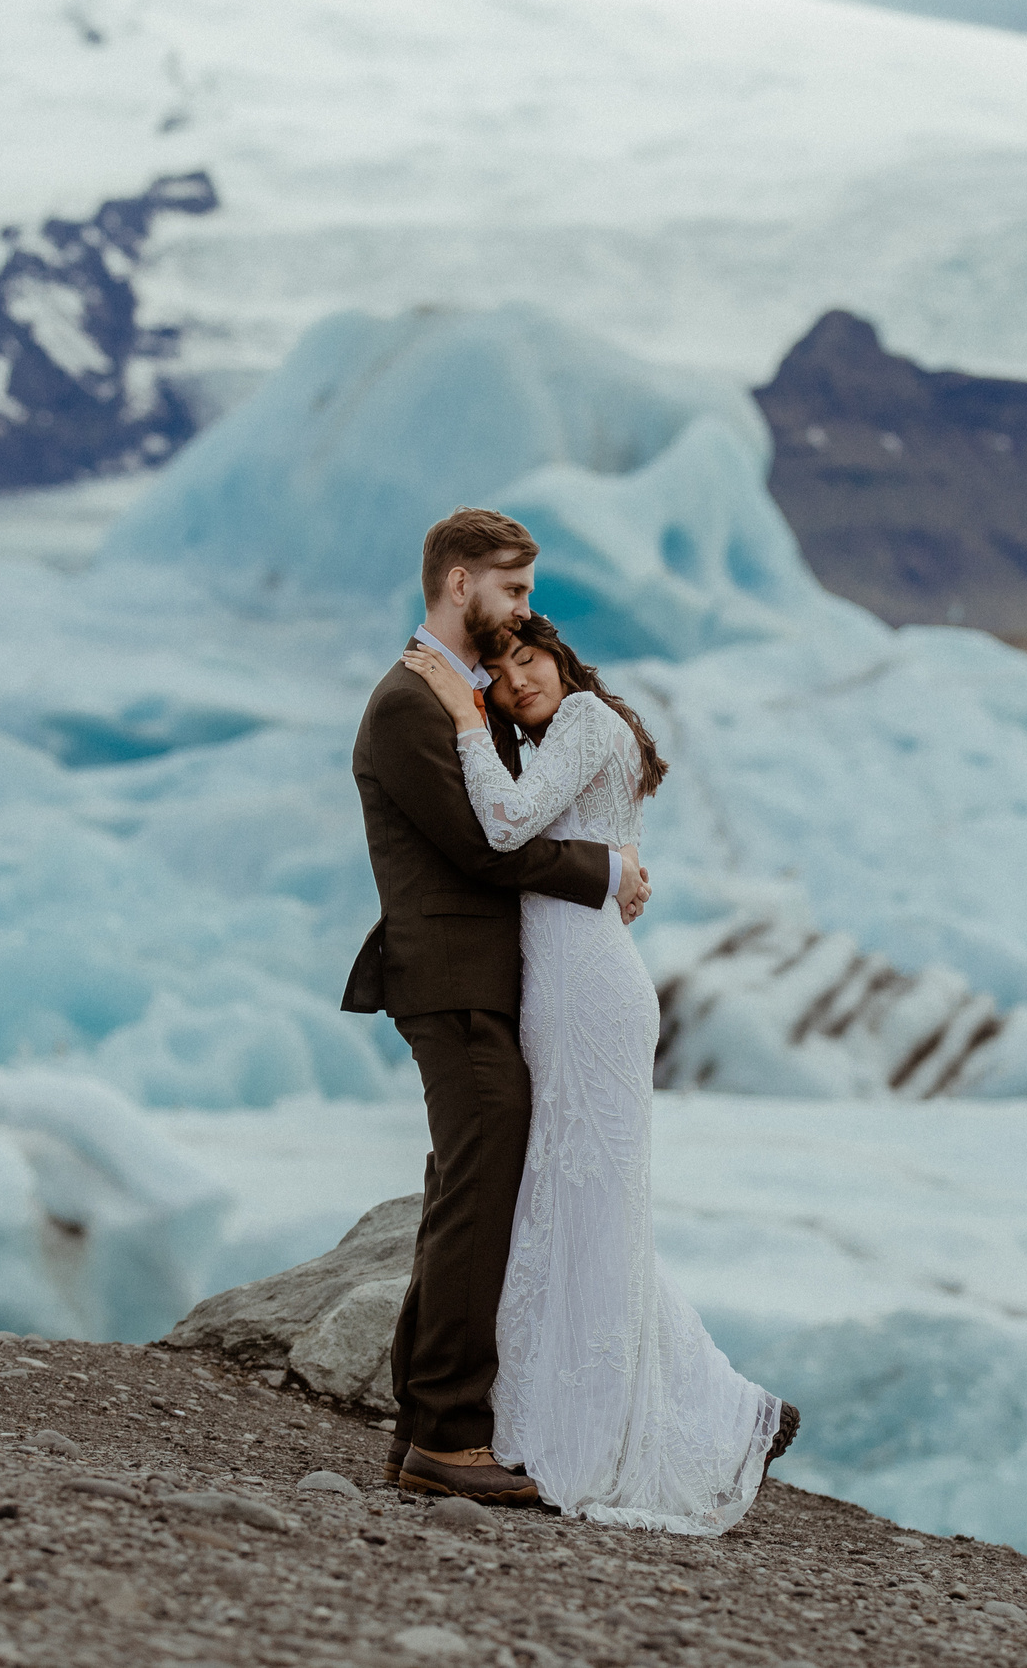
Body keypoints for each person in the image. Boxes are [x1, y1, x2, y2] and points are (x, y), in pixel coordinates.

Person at [395, 609, 800, 1535]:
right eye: (496, 673)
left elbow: (502, 824)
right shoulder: (557, 737)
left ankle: (708, 1409)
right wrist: (613, 865)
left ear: (561, 659)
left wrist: (461, 715)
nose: (514, 680)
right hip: (567, 979)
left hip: (586, 989)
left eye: (526, 657)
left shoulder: (579, 720)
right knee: (574, 1197)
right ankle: (708, 1400)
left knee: (587, 1195)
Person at [343, 506, 652, 1506]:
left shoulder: (461, 697)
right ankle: (448, 1437)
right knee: (479, 1199)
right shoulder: (408, 704)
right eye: (512, 590)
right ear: (459, 583)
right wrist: (603, 870)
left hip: (488, 986)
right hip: (453, 985)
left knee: (463, 1196)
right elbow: (485, 848)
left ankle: (423, 1432)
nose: (525, 610)